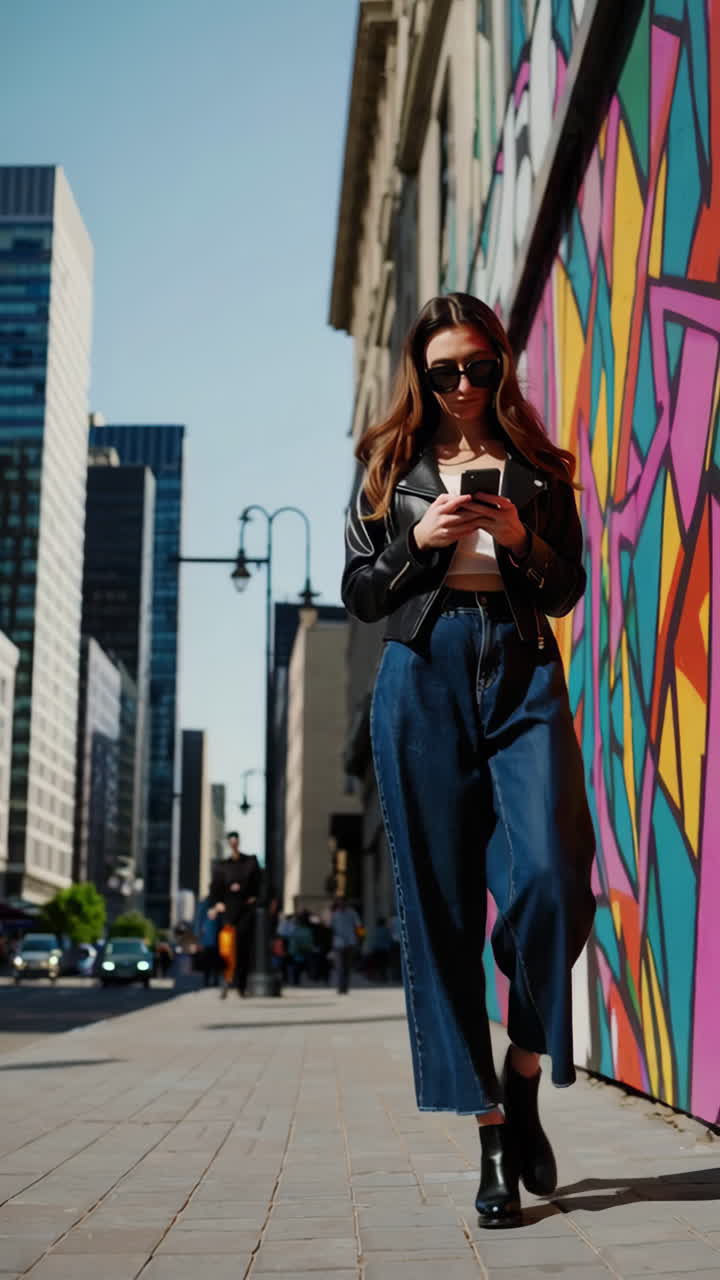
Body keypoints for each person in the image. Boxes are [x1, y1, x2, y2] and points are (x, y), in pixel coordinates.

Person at [342, 292, 596, 1229]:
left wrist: (521, 538)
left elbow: (565, 591)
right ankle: (492, 1133)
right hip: (423, 676)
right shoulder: (386, 467)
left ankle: (523, 1067)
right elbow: (362, 595)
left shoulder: (537, 466)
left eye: (478, 367)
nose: (461, 386)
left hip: (524, 667)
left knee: (551, 879)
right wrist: (419, 540)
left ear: (501, 366)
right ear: (421, 371)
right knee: (439, 911)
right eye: (443, 370)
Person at [209, 832, 261, 998]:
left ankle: (241, 985)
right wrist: (217, 905)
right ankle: (225, 981)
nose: (234, 844)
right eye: (231, 842)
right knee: (226, 949)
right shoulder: (222, 866)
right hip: (228, 914)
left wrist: (254, 899)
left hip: (244, 912)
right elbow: (215, 890)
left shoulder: (250, 862)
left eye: (235, 841)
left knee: (243, 949)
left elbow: (259, 885)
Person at [331, 899, 361, 994]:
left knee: (347, 967)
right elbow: (331, 927)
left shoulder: (352, 913)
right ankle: (340, 988)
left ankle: (345, 987)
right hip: (338, 944)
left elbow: (359, 926)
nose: (341, 906)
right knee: (340, 966)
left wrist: (361, 937)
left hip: (350, 943)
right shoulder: (335, 914)